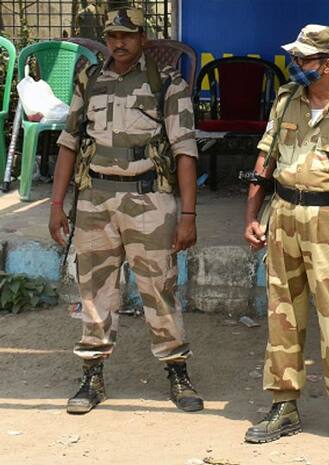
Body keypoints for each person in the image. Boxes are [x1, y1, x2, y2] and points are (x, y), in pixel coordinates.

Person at [48, 7, 203, 415]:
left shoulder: (166, 82)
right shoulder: (90, 78)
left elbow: (185, 150)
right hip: (94, 198)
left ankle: (176, 371)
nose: (119, 43)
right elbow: (69, 142)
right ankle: (92, 376)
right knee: (94, 293)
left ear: (143, 39)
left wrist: (188, 215)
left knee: (159, 290)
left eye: (127, 36)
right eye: (113, 35)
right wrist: (56, 204)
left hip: (150, 200)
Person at [242, 24, 329, 450]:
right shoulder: (287, 101)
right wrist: (252, 212)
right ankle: (284, 406)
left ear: (327, 64)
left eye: (304, 59)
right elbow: (265, 157)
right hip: (283, 216)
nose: (295, 65)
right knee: (282, 316)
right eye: (296, 58)